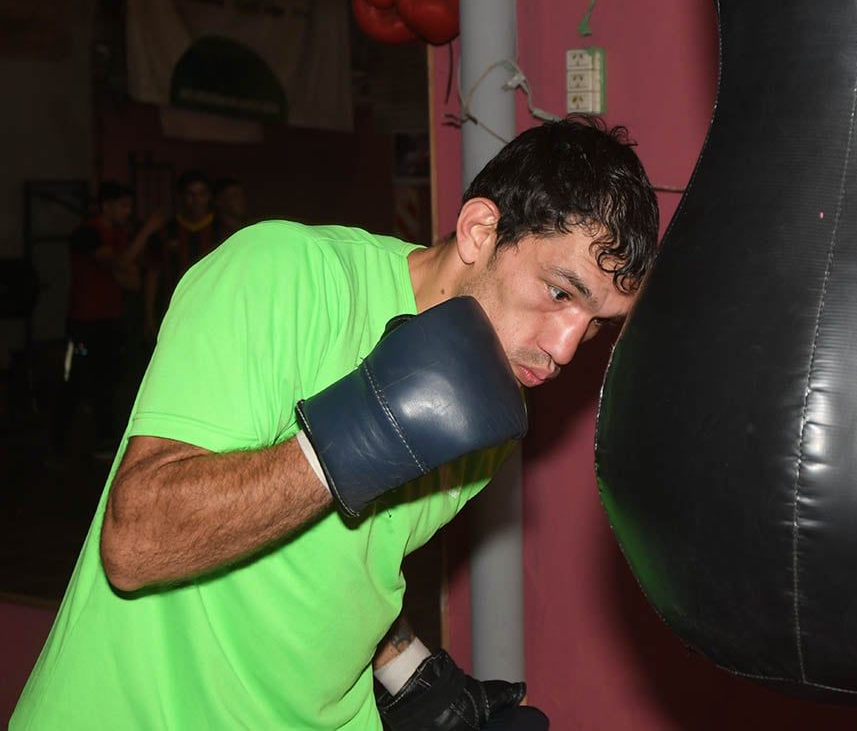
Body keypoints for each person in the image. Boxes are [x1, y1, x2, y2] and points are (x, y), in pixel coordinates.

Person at [12, 116, 659, 730]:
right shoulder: (285, 276)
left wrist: (409, 671)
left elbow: (344, 567)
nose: (568, 347)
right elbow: (135, 541)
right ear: (479, 230)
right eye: (560, 292)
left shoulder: (492, 407)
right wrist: (346, 445)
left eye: (597, 321)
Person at [52, 182, 164, 464]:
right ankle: (57, 446)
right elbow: (119, 264)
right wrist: (147, 231)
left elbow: (135, 273)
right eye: (123, 206)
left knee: (109, 383)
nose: (128, 212)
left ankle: (104, 441)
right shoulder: (87, 233)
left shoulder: (120, 233)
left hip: (111, 320)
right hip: (83, 320)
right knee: (73, 382)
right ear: (107, 206)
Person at [144, 169, 217, 337]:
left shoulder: (222, 231)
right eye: (190, 194)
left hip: (212, 307)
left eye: (202, 194)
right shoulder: (166, 231)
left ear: (209, 197)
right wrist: (149, 315)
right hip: (173, 308)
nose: (196, 200)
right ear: (181, 197)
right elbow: (153, 273)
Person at [213, 177, 250, 241]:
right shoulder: (211, 233)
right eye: (235, 196)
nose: (241, 200)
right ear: (219, 201)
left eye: (242, 195)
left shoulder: (250, 227)